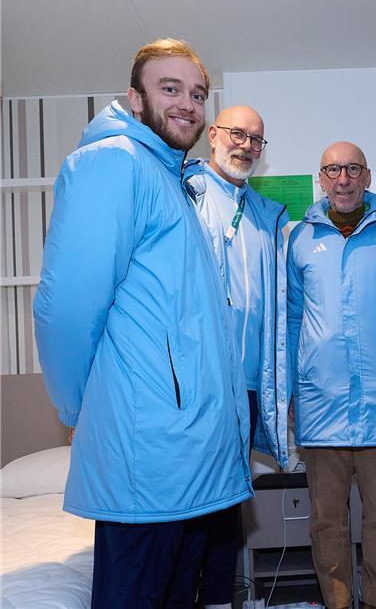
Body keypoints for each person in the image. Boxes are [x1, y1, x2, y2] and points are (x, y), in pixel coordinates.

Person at [33, 39, 253, 608]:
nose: (187, 103)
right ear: (135, 98)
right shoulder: (113, 164)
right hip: (148, 455)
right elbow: (67, 309)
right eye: (170, 88)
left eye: (197, 93)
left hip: (186, 458)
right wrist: (76, 409)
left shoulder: (170, 182)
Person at [287, 141, 376, 609]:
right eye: (333, 169)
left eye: (353, 169)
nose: (343, 179)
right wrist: (291, 389)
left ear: (367, 176)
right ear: (321, 177)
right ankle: (339, 604)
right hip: (321, 403)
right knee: (326, 522)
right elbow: (292, 320)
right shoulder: (300, 239)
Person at [184, 105, 289, 609]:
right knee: (190, 502)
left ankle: (221, 599)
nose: (246, 145)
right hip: (196, 384)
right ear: (213, 136)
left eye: (256, 139)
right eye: (237, 134)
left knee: (229, 500)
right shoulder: (183, 196)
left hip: (247, 387)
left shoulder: (266, 217)